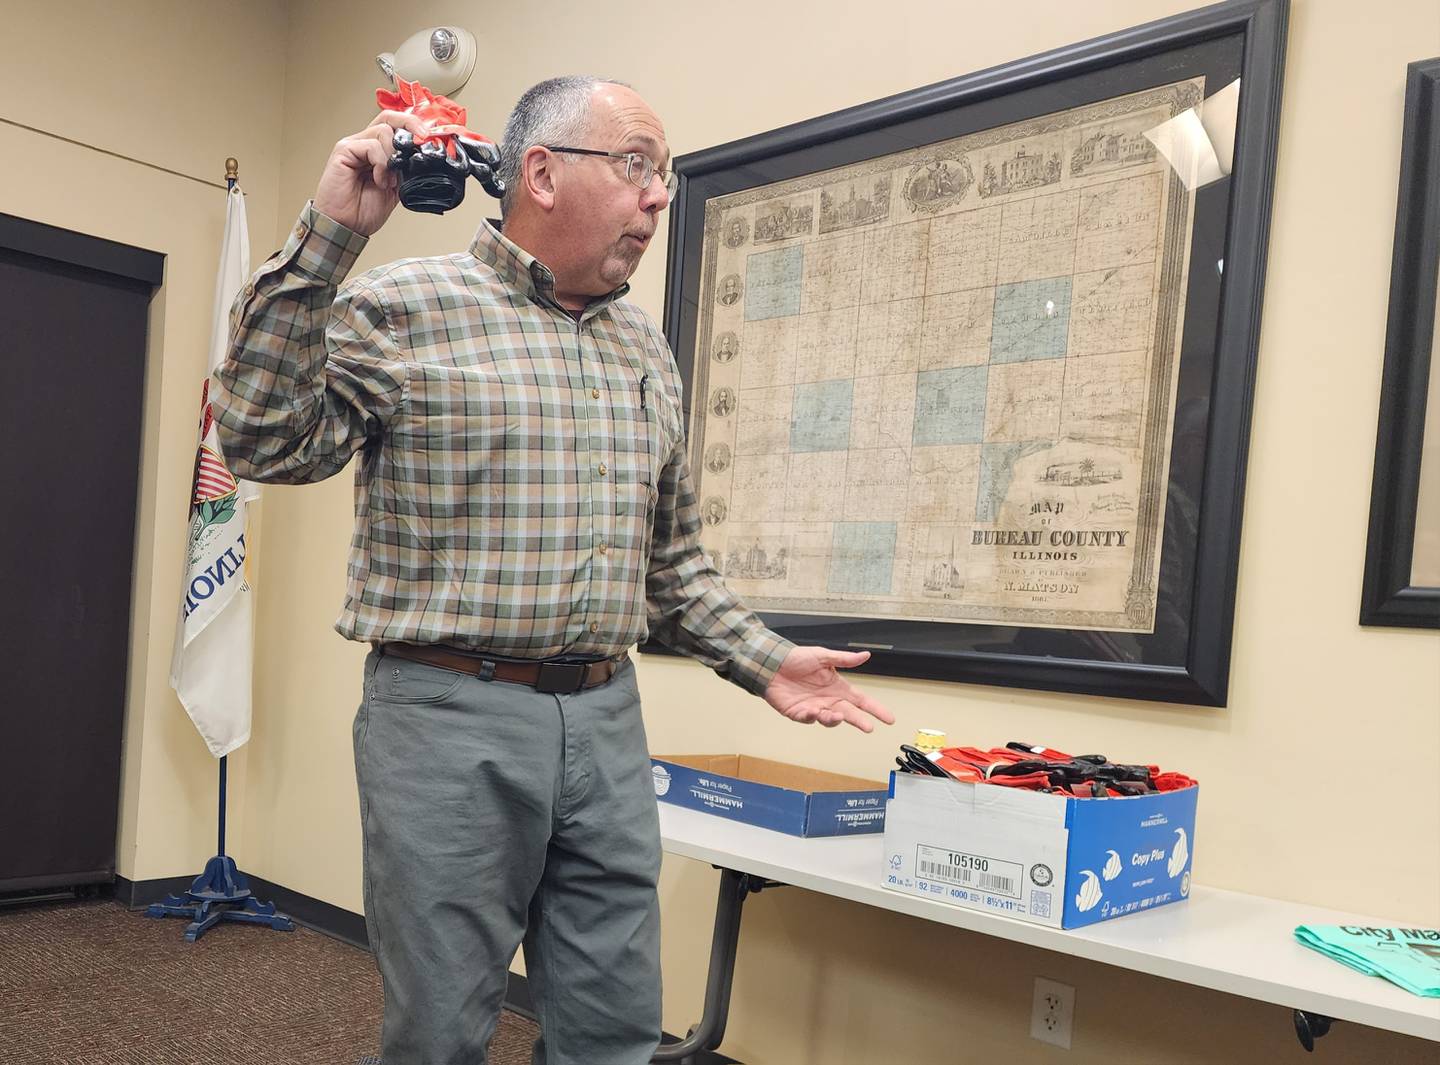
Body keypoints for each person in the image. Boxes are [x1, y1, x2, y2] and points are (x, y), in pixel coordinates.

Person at [214, 75, 893, 1065]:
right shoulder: (403, 308)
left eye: (662, 174)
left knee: (615, 1030)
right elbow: (260, 441)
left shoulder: (644, 353)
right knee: (442, 1032)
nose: (658, 196)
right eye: (636, 167)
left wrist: (767, 662)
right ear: (540, 172)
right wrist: (330, 233)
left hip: (606, 722)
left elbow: (674, 566)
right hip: (447, 720)